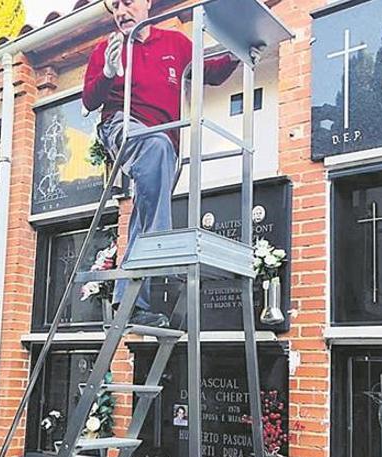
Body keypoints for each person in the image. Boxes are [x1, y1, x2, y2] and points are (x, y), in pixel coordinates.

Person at [83, 0, 254, 326]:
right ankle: (162, 247)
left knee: (147, 203)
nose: (121, 11)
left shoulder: (175, 43)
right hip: (123, 126)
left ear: (147, 3)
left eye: (128, 2)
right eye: (114, 6)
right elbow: (90, 100)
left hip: (164, 143)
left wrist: (240, 51)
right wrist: (107, 71)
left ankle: (130, 302)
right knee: (156, 144)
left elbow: (212, 72)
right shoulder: (107, 48)